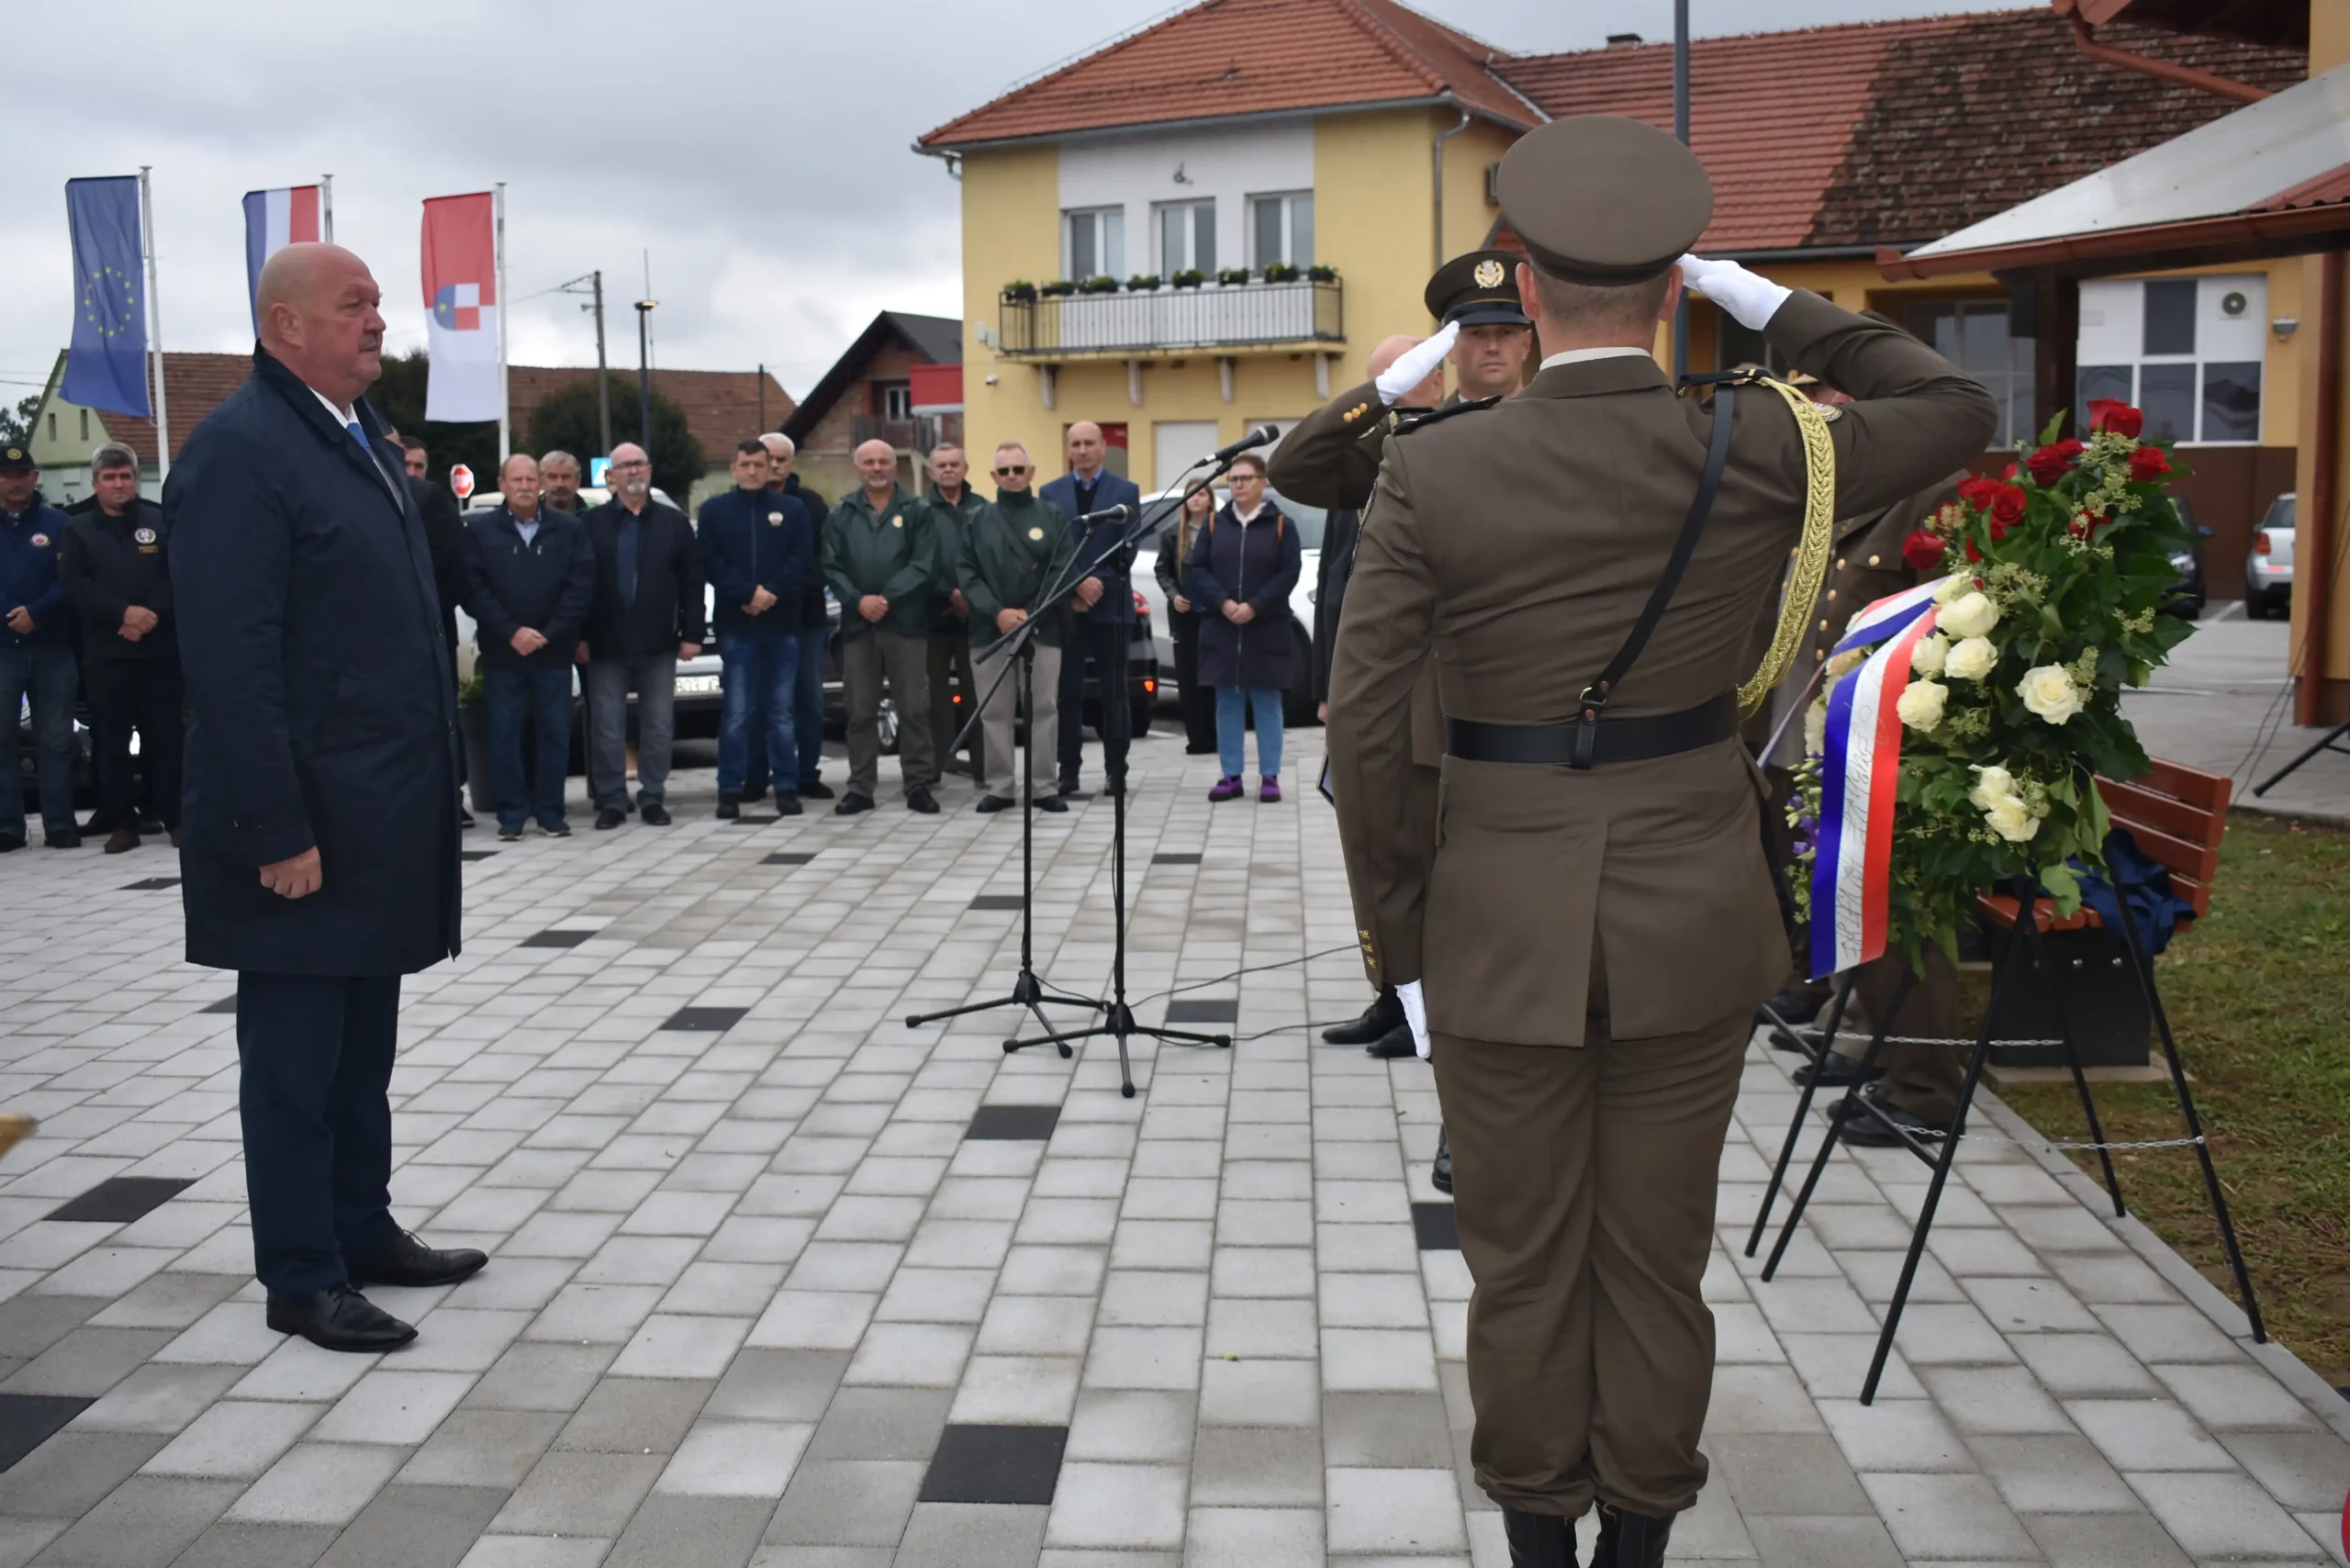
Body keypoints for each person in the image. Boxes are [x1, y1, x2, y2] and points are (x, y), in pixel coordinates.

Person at [1325, 116, 1997, 1566]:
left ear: (1525, 279)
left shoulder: (1431, 474)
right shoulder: (1762, 439)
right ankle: (1642, 1540)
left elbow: (1365, 739)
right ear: (1677, 284)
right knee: (1655, 1258)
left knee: (1520, 1271)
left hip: (1495, 917)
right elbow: (1950, 404)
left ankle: (1539, 1550)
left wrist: (1408, 944)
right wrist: (1768, 302)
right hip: (1692, 911)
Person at [166, 241, 482, 1354]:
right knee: (296, 1061)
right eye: (354, 305)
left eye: (378, 304)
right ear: (283, 324)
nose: (378, 322)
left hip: (376, 817)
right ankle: (301, 1273)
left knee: (361, 1053)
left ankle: (360, 1227)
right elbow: (231, 662)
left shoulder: (357, 442)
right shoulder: (240, 454)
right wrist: (274, 827)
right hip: (305, 824)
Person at [462, 454, 594, 841]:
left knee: (554, 733)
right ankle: (512, 813)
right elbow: (473, 589)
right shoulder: (480, 531)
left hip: (552, 653)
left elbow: (581, 585)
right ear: (502, 484)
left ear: (539, 484)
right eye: (515, 479)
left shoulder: (568, 529)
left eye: (529, 479)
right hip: (504, 653)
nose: (523, 486)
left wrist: (550, 633)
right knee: (504, 734)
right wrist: (511, 631)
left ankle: (551, 811)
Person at [58, 443, 182, 853]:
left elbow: (175, 576)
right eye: (109, 478)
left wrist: (149, 617)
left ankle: (174, 818)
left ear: (135, 479)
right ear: (96, 483)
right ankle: (121, 822)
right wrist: (123, 615)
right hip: (107, 653)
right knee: (110, 742)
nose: (118, 484)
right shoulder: (78, 529)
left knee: (165, 739)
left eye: (125, 476)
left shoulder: (160, 521)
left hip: (158, 650)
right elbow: (76, 586)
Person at [580, 442, 702, 830]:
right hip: (605, 641)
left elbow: (692, 583)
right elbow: (579, 587)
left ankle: (653, 796)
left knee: (659, 723)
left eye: (640, 464)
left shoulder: (673, 522)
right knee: (607, 725)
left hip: (659, 642)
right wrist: (578, 637)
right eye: (625, 466)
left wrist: (692, 633)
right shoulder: (591, 524)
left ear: (650, 470)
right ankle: (613, 799)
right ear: (610, 476)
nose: (634, 472)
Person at [822, 438, 938, 815]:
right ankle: (860, 787)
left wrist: (887, 597)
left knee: (915, 708)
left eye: (883, 461)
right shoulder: (841, 513)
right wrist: (860, 601)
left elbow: (925, 562)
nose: (877, 468)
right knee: (859, 710)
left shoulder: (918, 510)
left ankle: (918, 784)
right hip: (858, 627)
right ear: (858, 468)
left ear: (894, 467)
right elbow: (831, 565)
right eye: (869, 462)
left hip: (905, 623)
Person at [959, 442, 1075, 814]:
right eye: (1004, 471)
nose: (1012, 476)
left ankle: (1044, 786)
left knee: (1044, 708)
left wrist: (1030, 612)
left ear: (1031, 472)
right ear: (993, 476)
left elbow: (1063, 568)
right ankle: (1001, 786)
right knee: (994, 711)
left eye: (1018, 469)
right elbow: (966, 572)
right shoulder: (976, 519)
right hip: (989, 632)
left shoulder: (1053, 515)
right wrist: (997, 613)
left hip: (1044, 629)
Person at [699, 439, 811, 817]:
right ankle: (730, 789)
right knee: (737, 712)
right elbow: (711, 562)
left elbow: (801, 560)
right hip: (736, 626)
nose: (752, 471)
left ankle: (786, 787)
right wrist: (746, 593)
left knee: (780, 712)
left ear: (770, 469)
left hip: (782, 626)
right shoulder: (715, 511)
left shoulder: (792, 510)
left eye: (759, 465)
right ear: (734, 467)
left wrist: (771, 594)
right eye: (745, 464)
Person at [1185, 454, 1300, 802]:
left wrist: (1256, 605)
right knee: (1227, 702)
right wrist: (1224, 603)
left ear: (1263, 482)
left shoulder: (1282, 525)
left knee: (1267, 701)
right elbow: (1198, 568)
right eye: (1233, 479)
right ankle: (1230, 774)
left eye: (1246, 478)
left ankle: (1270, 777)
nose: (1239, 484)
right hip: (1223, 628)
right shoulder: (1215, 525)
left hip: (1266, 628)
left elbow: (1289, 572)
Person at [1040, 420, 1141, 798]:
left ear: (1102, 447)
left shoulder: (1125, 491)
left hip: (1112, 607)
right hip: (1067, 608)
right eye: (1075, 444)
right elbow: (1050, 549)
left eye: (1089, 443)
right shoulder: (1049, 494)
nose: (1082, 450)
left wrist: (1097, 584)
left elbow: (1128, 547)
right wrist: (1077, 584)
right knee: (1067, 694)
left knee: (1116, 695)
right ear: (1069, 449)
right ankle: (1069, 771)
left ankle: (1117, 771)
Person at [393, 432, 474, 829]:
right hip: (388, 635)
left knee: (443, 715)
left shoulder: (433, 502)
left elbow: (455, 565)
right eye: (405, 466)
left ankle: (450, 796)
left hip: (434, 627)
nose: (412, 475)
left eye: (418, 468)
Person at [0, 442, 78, 850]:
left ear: (34, 477)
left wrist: (37, 612)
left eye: (22, 475)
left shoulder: (59, 523)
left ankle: (61, 824)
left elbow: (69, 578)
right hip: (2, 648)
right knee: (2, 739)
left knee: (56, 738)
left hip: (52, 646)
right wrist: (11, 612)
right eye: (8, 476)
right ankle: (9, 827)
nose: (16, 483)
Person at [759, 432, 834, 801]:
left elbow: (822, 561)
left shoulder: (812, 504)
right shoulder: (740, 503)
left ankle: (807, 773)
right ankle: (758, 775)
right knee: (763, 703)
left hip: (805, 619)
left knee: (808, 701)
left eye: (781, 459)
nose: (774, 465)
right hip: (756, 620)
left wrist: (780, 590)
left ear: (792, 463)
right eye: (767, 457)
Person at [923, 443, 986, 783]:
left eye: (954, 464)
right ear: (931, 472)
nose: (948, 470)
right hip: (932, 618)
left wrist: (971, 598)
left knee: (978, 696)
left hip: (976, 621)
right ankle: (936, 768)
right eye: (941, 465)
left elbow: (991, 560)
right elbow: (918, 560)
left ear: (965, 468)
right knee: (934, 699)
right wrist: (950, 593)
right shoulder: (919, 512)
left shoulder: (983, 509)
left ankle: (982, 768)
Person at [1151, 485, 1219, 754]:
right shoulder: (1171, 534)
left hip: (1213, 613)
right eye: (1191, 495)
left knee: (1213, 676)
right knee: (1188, 677)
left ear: (1210, 500)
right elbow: (1163, 570)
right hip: (1185, 613)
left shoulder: (1220, 531)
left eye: (1202, 494)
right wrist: (1173, 595)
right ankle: (1197, 738)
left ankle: (1215, 735)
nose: (1195, 499)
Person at [1441, 248, 1537, 404]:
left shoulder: (1556, 425)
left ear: (1526, 344)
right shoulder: (1429, 428)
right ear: (1449, 347)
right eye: (1477, 334)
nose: (1493, 347)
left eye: (1506, 333)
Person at [538, 450, 586, 514]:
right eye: (553, 477)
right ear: (541, 481)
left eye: (565, 477)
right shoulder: (527, 514)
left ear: (578, 481)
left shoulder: (594, 516)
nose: (559, 484)